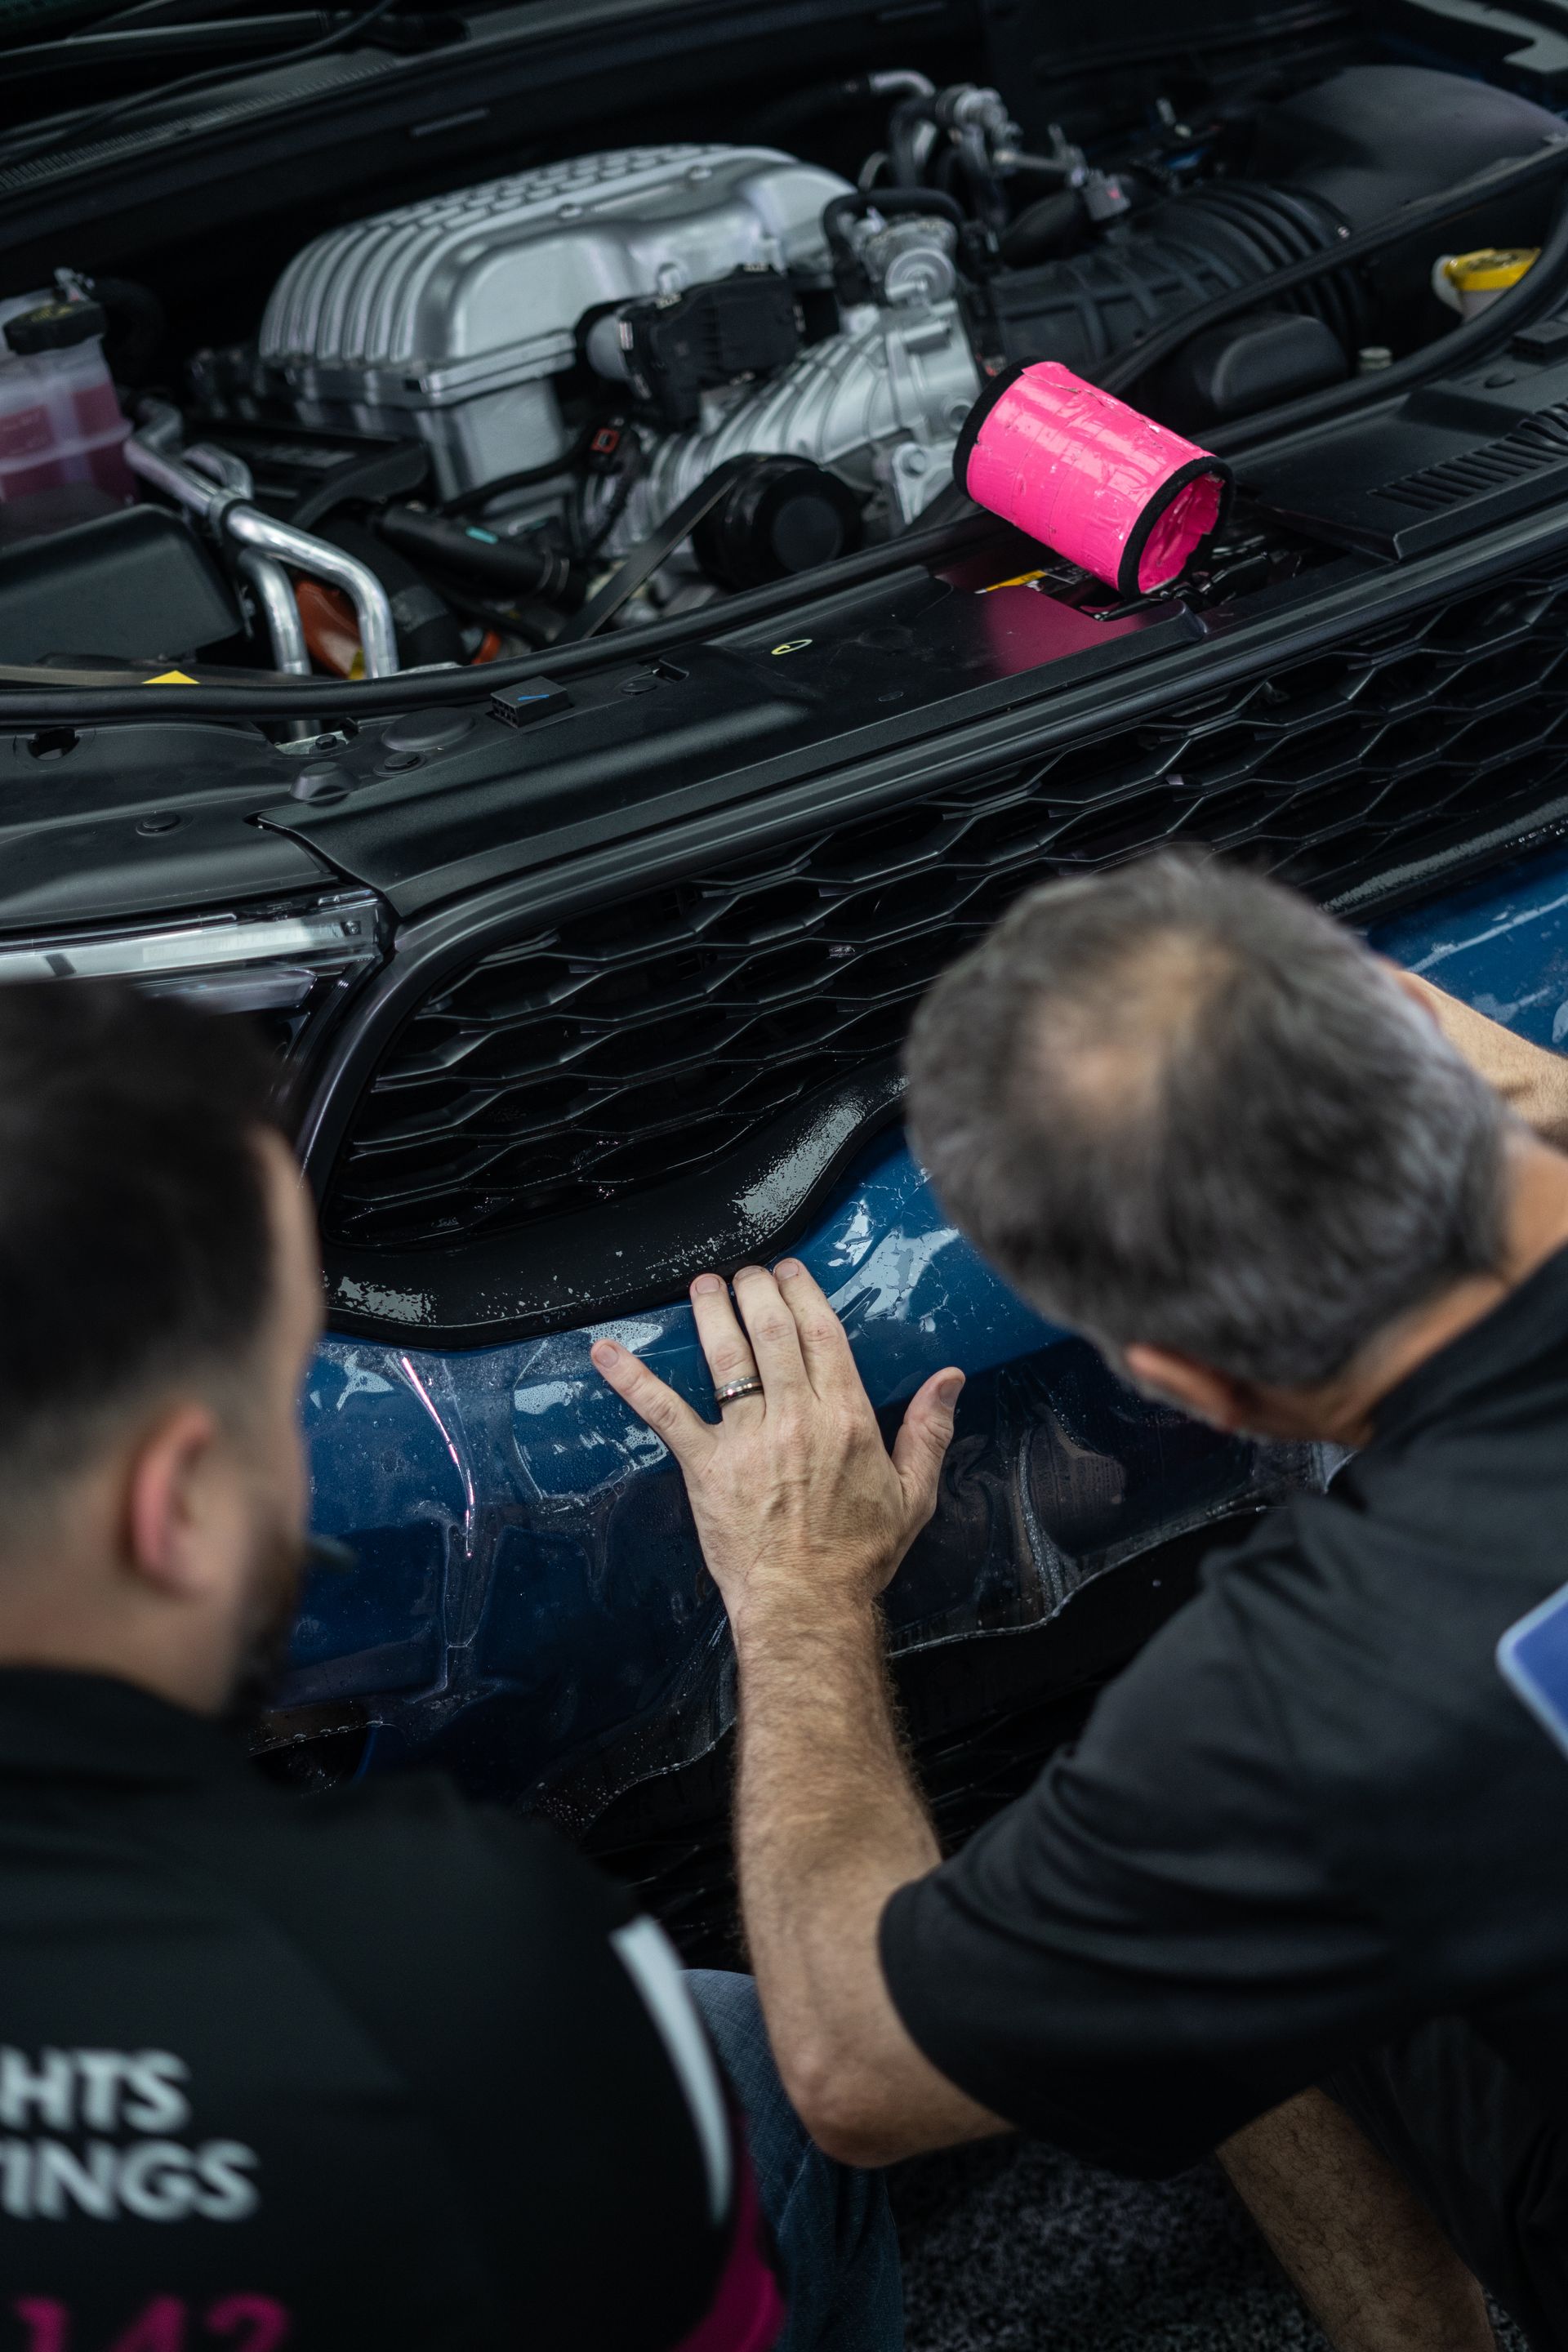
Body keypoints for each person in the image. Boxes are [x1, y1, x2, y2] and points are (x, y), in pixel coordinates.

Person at [593, 852, 1568, 2352]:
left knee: (1211, 1911)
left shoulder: (1295, 1712)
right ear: (1419, 1026)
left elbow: (854, 2065)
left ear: (1179, 1382)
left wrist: (799, 1594)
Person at [0, 980, 896, 2352]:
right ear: (174, 1504)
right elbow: (865, 2064)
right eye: (283, 1387)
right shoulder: (459, 1958)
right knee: (748, 2062)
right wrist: (801, 1599)